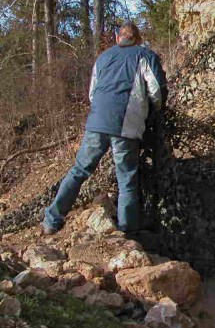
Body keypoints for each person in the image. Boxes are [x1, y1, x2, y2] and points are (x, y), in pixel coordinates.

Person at [42, 21, 167, 235]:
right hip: (126, 124)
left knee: (79, 170)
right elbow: (157, 91)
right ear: (138, 38)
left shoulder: (103, 58)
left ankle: (52, 220)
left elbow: (92, 93)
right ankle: (128, 232)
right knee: (126, 178)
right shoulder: (145, 55)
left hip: (97, 122)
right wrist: (153, 111)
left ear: (118, 38)